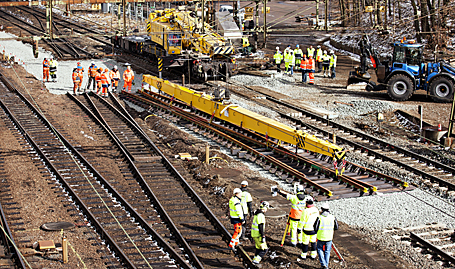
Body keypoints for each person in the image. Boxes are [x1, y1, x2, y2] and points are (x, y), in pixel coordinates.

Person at [314, 203, 339, 269]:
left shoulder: (319, 218)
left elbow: (315, 228)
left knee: (320, 250)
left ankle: (323, 264)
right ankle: (326, 265)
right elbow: (336, 227)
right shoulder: (332, 217)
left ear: (322, 209)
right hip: (329, 237)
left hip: (321, 237)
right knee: (327, 251)